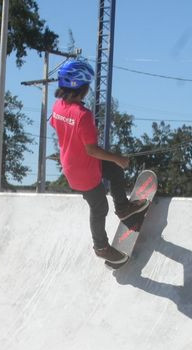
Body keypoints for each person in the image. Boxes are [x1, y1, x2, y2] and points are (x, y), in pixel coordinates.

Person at [49, 59, 149, 265]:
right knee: (99, 208)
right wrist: (119, 158)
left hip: (72, 165)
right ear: (82, 88)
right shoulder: (83, 115)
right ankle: (101, 247)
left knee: (113, 171)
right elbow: (92, 150)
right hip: (83, 173)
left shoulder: (58, 106)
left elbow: (54, 123)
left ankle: (123, 207)